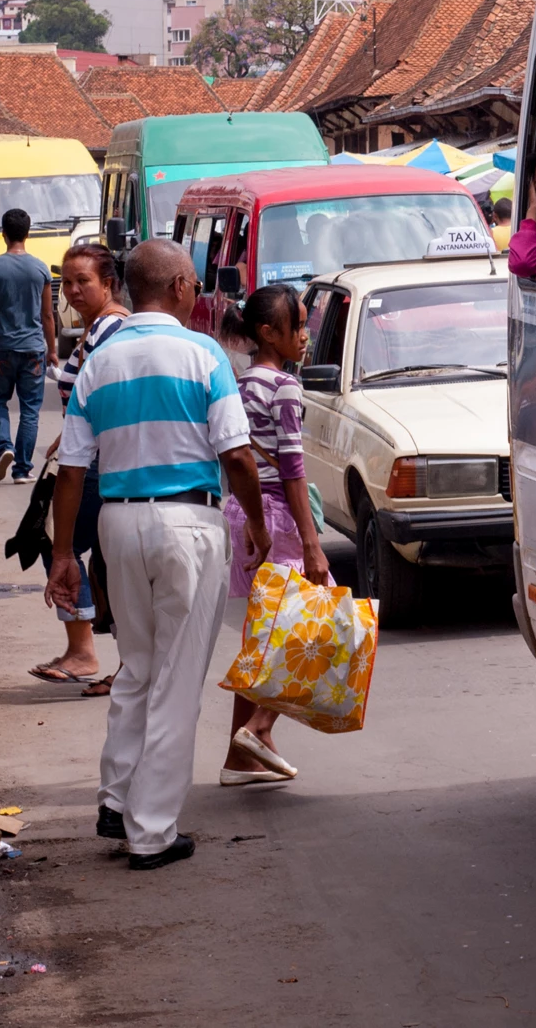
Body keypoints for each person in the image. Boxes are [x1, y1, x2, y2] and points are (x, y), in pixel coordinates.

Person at [45, 238, 272, 871]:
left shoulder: (98, 360)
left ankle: (117, 799)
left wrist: (65, 553)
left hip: (119, 525)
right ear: (176, 287)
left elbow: (70, 470)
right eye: (193, 284)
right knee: (175, 682)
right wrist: (255, 523)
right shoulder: (205, 354)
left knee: (138, 668)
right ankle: (150, 831)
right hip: (188, 522)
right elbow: (236, 455)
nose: (197, 293)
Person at [218, 285, 328, 785]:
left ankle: (241, 759)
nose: (305, 336)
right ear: (268, 333)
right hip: (279, 517)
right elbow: (293, 468)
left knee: (263, 632)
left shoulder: (242, 383)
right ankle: (259, 727)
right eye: (297, 326)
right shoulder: (284, 385)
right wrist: (312, 543)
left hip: (243, 514)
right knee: (306, 625)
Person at [29, 243, 129, 689]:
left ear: (108, 284)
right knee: (105, 563)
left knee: (63, 545)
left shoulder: (112, 328)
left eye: (82, 282)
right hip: (91, 458)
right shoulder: (95, 329)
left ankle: (84, 651)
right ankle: (107, 660)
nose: (71, 291)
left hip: (101, 467)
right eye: (65, 283)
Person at [0, 208, 56, 485]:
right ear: (28, 233)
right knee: (30, 410)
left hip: (2, 349)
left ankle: (3, 446)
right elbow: (47, 315)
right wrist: (53, 349)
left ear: (3, 234)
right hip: (33, 349)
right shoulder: (40, 268)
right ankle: (22, 469)